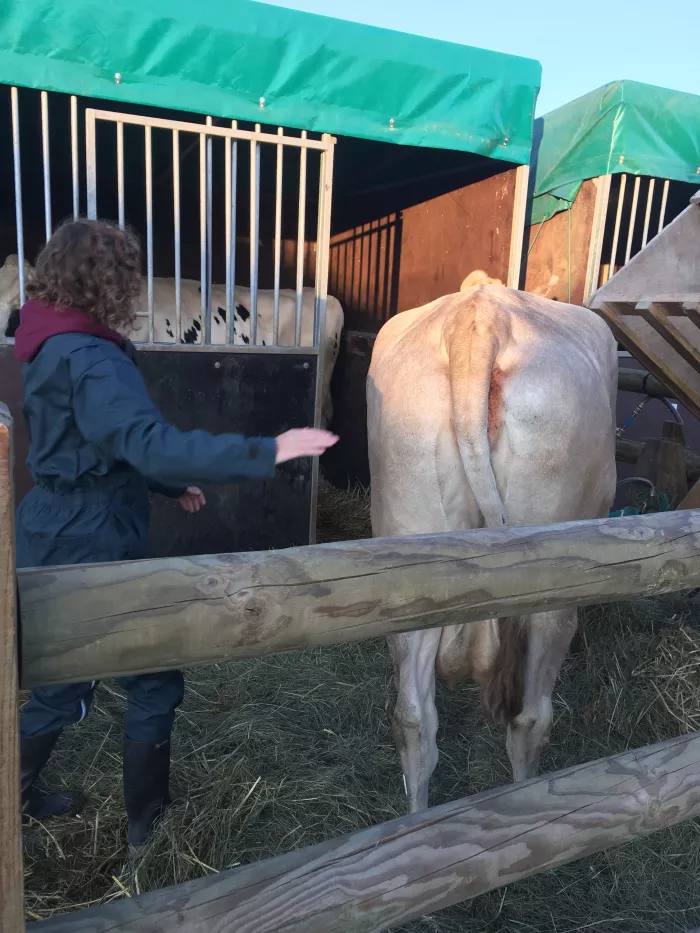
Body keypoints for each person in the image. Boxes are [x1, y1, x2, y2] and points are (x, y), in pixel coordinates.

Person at [14, 217, 338, 855]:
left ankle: (15, 797)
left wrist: (163, 488)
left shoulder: (48, 340)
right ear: (109, 283)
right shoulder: (91, 358)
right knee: (153, 677)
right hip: (94, 536)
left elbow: (89, 445)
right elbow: (151, 445)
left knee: (57, 683)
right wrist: (266, 450)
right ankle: (147, 830)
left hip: (56, 522)